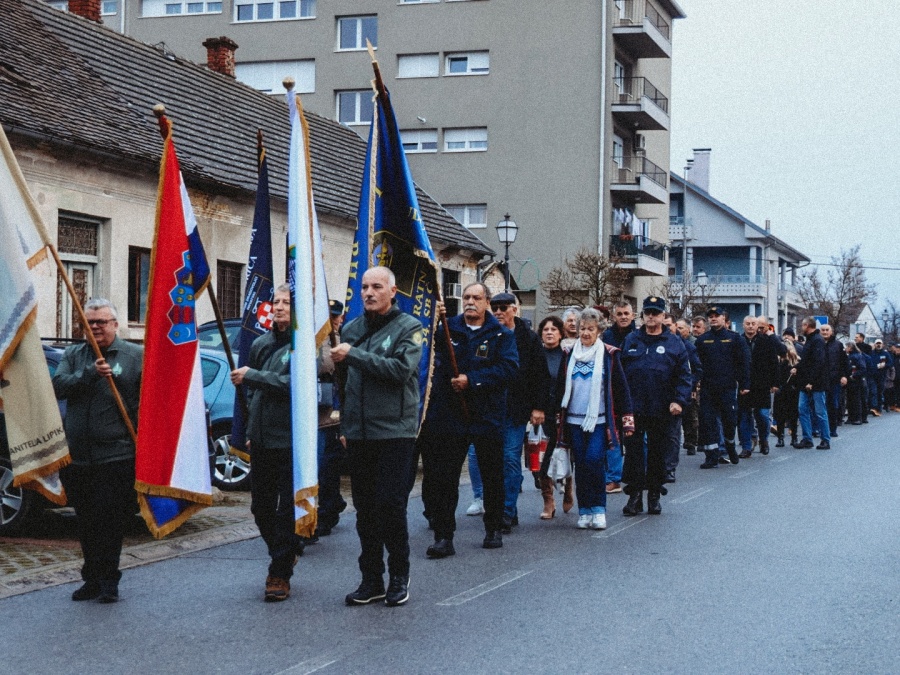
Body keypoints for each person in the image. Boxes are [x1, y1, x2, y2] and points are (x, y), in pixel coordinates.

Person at [332, 267, 423, 608]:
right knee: (365, 510)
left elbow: (400, 370)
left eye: (377, 287)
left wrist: (353, 354)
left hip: (393, 431)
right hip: (359, 433)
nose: (369, 292)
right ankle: (371, 579)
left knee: (391, 505)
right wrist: (344, 423)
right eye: (365, 287)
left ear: (393, 291)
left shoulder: (409, 328)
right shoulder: (352, 329)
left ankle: (399, 574)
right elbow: (344, 382)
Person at [53, 298, 143, 604]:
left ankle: (109, 580)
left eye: (101, 322)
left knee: (110, 520)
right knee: (86, 521)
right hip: (78, 456)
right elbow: (59, 385)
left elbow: (144, 404)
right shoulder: (74, 354)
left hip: (116, 455)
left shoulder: (133, 357)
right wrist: (90, 373)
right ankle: (90, 577)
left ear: (115, 325)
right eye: (89, 322)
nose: (95, 328)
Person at [418, 282, 517, 556]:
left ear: (486, 302)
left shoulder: (500, 334)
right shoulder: (446, 329)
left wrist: (472, 381)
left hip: (486, 414)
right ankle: (444, 536)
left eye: (476, 297)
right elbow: (430, 361)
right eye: (466, 297)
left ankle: (493, 527)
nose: (470, 302)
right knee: (445, 477)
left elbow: (508, 369)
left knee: (492, 474)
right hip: (450, 414)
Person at [231, 284, 303, 602]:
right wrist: (249, 427)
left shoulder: (305, 345)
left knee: (286, 510)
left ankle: (279, 574)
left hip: (290, 439)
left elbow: (295, 384)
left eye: (287, 302)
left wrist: (253, 376)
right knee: (260, 507)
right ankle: (285, 552)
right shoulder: (261, 344)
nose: (280, 306)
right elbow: (252, 393)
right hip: (261, 438)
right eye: (276, 301)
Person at [559, 307, 634, 530]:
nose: (585, 333)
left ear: (599, 330)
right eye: (583, 329)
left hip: (599, 420)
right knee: (580, 464)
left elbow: (621, 389)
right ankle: (585, 510)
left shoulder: (610, 355)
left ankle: (599, 509)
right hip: (573, 420)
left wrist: (627, 419)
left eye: (591, 329)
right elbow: (560, 386)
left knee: (594, 460)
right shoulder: (569, 354)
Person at [620, 298, 691, 516]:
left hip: (662, 407)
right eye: (648, 313)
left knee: (657, 452)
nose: (651, 317)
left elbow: (684, 375)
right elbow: (620, 374)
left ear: (662, 316)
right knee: (632, 452)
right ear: (642, 315)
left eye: (656, 313)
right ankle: (634, 496)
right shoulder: (632, 339)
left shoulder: (674, 343)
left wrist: (679, 400)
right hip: (634, 406)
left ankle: (653, 495)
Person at [487, 293, 548, 533]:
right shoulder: (489, 334)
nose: (498, 312)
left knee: (510, 458)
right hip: (491, 408)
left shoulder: (529, 339)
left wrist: (538, 406)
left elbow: (540, 375)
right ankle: (499, 506)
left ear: (514, 309)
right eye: (494, 308)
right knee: (494, 462)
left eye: (503, 308)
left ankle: (507, 511)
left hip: (517, 408)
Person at [694, 306, 751, 468]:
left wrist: (745, 384)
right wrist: (695, 384)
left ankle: (730, 444)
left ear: (724, 319)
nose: (713, 319)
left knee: (729, 421)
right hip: (708, 388)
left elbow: (743, 363)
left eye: (716, 316)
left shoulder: (734, 339)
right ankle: (712, 456)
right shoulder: (702, 340)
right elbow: (696, 365)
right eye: (710, 316)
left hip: (727, 387)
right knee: (708, 422)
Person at [315, 299, 348, 538]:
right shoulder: (314, 338)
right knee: (320, 466)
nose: (332, 321)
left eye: (334, 316)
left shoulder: (343, 341)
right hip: (314, 412)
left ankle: (327, 513)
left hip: (334, 414)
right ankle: (331, 504)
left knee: (328, 466)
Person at [535, 315, 572, 519]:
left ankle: (568, 486)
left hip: (563, 413)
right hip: (541, 414)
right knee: (542, 459)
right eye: (545, 329)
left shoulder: (567, 355)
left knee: (565, 454)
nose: (549, 332)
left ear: (560, 333)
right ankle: (548, 500)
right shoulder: (536, 355)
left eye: (554, 329)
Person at [737, 315, 779, 458]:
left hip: (762, 383)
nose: (750, 326)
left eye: (753, 324)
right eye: (747, 323)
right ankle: (746, 447)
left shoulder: (766, 341)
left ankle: (764, 440)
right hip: (744, 384)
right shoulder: (738, 341)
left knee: (762, 415)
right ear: (743, 325)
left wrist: (774, 383)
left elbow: (774, 362)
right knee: (745, 416)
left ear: (757, 326)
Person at [795, 317, 831, 450]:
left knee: (820, 411)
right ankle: (807, 438)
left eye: (802, 325)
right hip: (806, 382)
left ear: (807, 325)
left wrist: (811, 381)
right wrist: (797, 367)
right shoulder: (811, 340)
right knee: (802, 409)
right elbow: (806, 361)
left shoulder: (817, 340)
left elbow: (818, 363)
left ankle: (825, 439)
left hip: (816, 382)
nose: (801, 328)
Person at [676, 318, 702, 456]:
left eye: (681, 328)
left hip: (688, 386)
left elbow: (697, 369)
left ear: (687, 330)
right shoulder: (670, 344)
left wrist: (692, 387)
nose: (678, 331)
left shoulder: (690, 347)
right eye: (677, 328)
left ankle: (691, 442)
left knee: (690, 416)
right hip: (673, 386)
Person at [820, 324, 849, 439]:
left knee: (833, 404)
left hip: (834, 379)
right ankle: (821, 429)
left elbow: (844, 362)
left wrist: (844, 376)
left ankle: (833, 428)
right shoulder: (817, 344)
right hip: (820, 380)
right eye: (823, 330)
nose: (825, 332)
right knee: (821, 406)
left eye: (827, 330)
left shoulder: (838, 345)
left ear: (831, 332)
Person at [772, 340, 801, 446]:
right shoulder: (777, 360)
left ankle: (794, 437)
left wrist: (796, 372)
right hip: (780, 389)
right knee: (780, 415)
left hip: (792, 390)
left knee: (793, 414)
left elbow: (802, 375)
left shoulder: (796, 361)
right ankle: (780, 437)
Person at [845, 341, 869, 425]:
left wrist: (854, 375)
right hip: (851, 381)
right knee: (851, 399)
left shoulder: (856, 356)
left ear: (850, 348)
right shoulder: (851, 356)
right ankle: (852, 417)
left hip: (856, 381)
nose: (845, 349)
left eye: (847, 347)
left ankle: (858, 418)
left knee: (856, 400)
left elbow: (862, 368)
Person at [868, 339, 894, 414]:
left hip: (882, 376)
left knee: (879, 392)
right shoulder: (871, 353)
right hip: (872, 375)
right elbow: (869, 363)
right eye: (877, 344)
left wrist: (885, 365)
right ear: (875, 345)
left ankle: (878, 408)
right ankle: (873, 407)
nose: (878, 345)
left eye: (880, 344)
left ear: (882, 345)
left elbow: (890, 363)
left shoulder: (885, 354)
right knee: (873, 391)